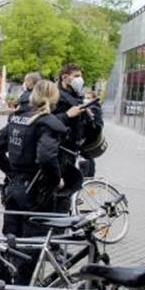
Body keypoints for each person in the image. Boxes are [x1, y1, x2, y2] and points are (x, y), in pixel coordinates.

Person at [0, 79, 68, 285]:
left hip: (14, 190)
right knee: (31, 246)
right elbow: (47, 156)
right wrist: (56, 180)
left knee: (10, 242)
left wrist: (12, 172)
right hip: (35, 194)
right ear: (53, 98)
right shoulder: (46, 123)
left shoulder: (17, 119)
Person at [50, 63, 92, 208]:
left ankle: (68, 206)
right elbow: (48, 119)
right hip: (61, 148)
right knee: (62, 187)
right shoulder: (56, 95)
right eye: (76, 76)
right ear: (65, 77)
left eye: (81, 76)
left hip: (73, 146)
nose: (80, 79)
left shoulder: (75, 94)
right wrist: (67, 115)